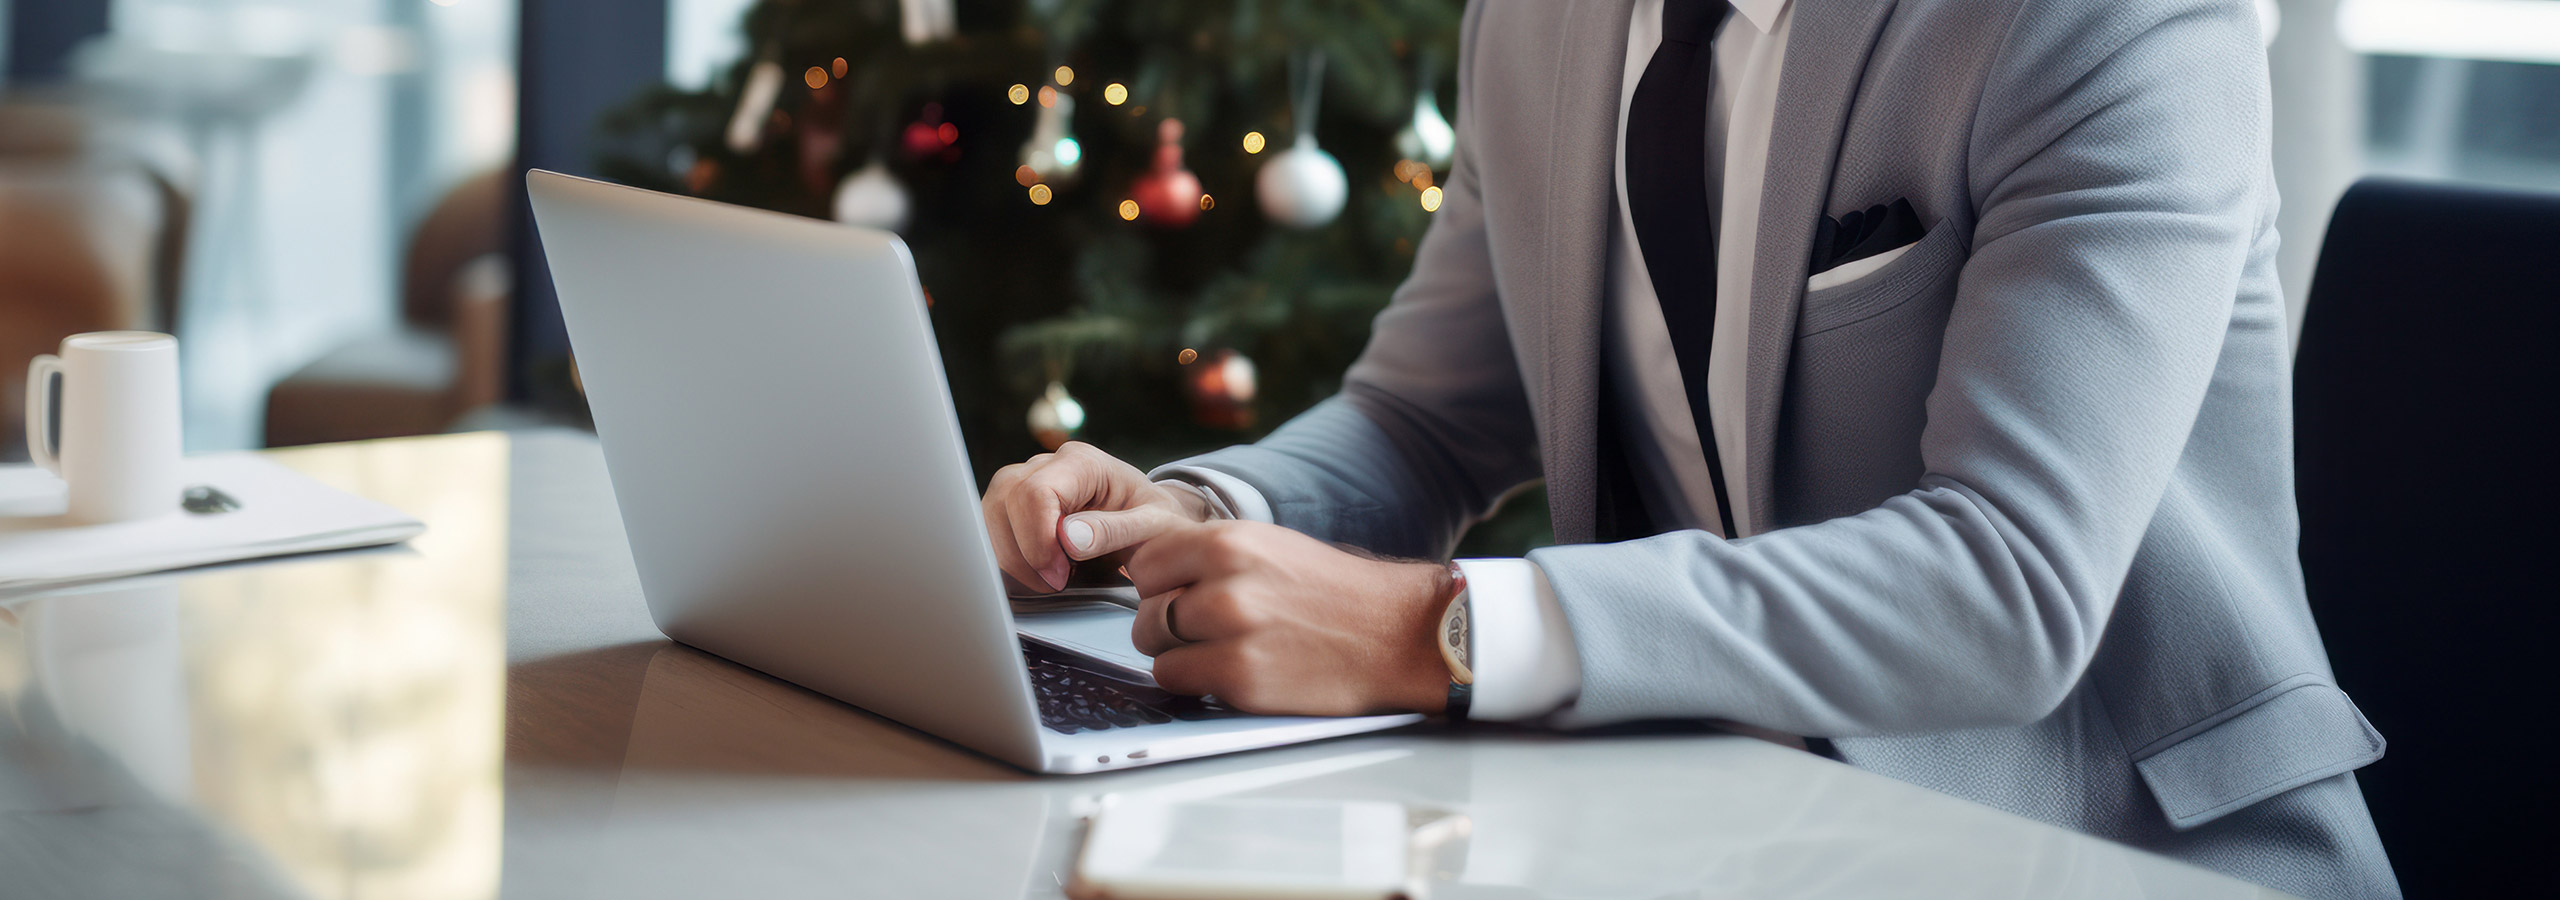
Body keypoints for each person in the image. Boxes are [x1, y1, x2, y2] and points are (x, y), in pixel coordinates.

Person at [979, 1, 2397, 896]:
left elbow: (2009, 585)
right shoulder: (1539, 23)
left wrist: (1446, 630)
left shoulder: (2111, 23)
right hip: (1703, 813)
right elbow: (1427, 419)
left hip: (2109, 843)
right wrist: (1174, 515)